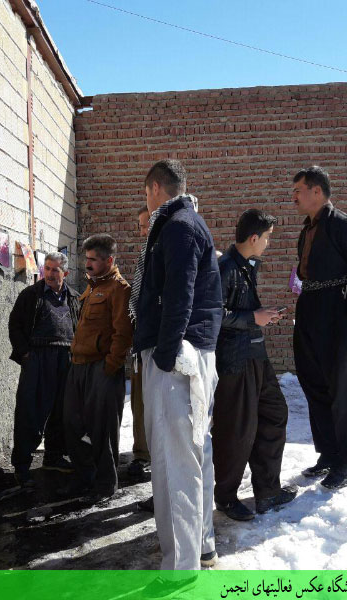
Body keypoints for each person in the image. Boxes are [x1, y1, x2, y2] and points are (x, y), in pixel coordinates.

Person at [132, 159, 222, 586]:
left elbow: (179, 293)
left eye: (144, 192)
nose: (144, 200)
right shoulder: (183, 223)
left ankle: (180, 572)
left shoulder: (179, 226)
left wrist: (165, 355)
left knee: (176, 465)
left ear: (154, 188)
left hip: (178, 358)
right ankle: (193, 552)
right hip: (184, 355)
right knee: (184, 458)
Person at [292, 166, 347, 490]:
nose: (294, 196)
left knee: (344, 386)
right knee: (315, 383)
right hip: (311, 308)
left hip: (339, 312)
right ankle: (329, 453)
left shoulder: (343, 224)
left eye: (298, 190)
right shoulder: (307, 228)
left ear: (317, 191)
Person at [212, 209, 296, 521]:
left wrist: (263, 314)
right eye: (268, 239)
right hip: (235, 361)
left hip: (256, 357)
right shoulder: (224, 268)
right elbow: (211, 314)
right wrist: (252, 318)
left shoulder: (246, 266)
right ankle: (226, 496)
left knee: (274, 414)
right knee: (237, 429)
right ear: (253, 238)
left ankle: (268, 491)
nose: (268, 245)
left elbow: (239, 308)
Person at [63, 234, 132, 501]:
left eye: (93, 259)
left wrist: (109, 367)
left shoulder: (119, 289)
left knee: (102, 429)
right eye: (86, 258)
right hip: (78, 367)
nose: (87, 264)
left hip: (100, 370)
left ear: (109, 260)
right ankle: (84, 478)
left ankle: (105, 486)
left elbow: (123, 333)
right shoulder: (91, 287)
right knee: (72, 424)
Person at [8, 252, 80, 487]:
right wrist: (26, 354)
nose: (49, 274)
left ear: (65, 273)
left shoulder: (74, 297)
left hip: (66, 359)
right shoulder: (30, 295)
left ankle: (54, 456)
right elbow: (15, 325)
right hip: (38, 359)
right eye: (47, 268)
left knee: (61, 411)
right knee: (31, 410)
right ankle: (21, 465)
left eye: (55, 270)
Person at [127, 206, 152, 480]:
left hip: (158, 342)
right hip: (140, 341)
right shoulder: (145, 256)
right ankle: (142, 453)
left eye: (144, 224)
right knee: (139, 402)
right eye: (140, 225)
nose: (141, 230)